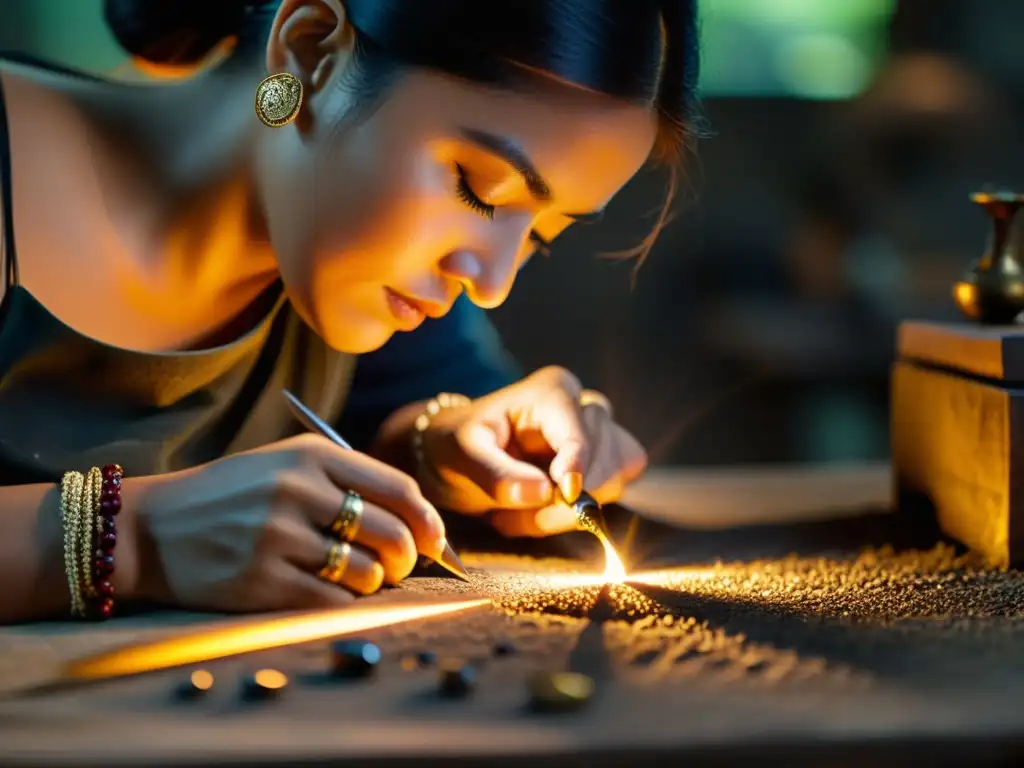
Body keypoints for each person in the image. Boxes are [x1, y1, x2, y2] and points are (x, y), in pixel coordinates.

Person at [0, 0, 701, 623]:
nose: (490, 281)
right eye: (479, 189)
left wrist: (444, 443)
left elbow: (413, 410)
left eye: (541, 236)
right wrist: (131, 538)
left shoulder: (349, 267)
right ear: (311, 54)